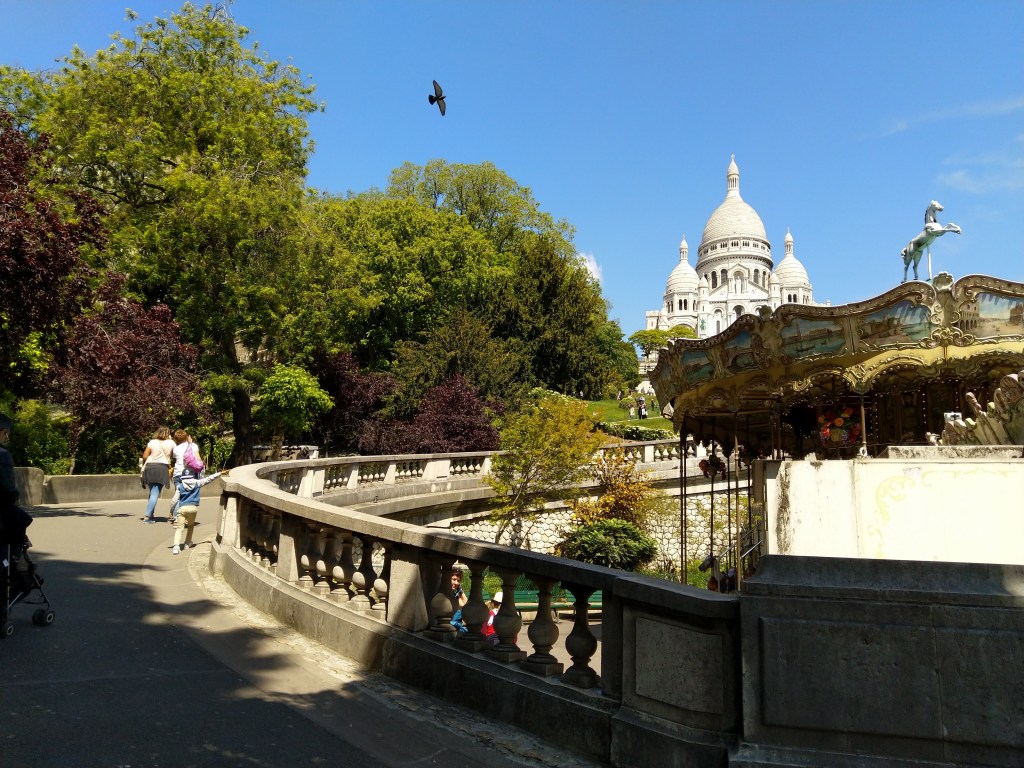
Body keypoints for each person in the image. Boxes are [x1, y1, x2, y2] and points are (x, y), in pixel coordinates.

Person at [0, 413, 33, 567]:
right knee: (21, 520)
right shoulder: (3, 455)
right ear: (3, 432)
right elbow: (9, 491)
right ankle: (14, 561)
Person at [172, 469, 227, 555]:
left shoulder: (180, 486)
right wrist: (218, 473)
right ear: (192, 476)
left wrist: (171, 511)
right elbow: (209, 479)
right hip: (193, 508)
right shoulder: (197, 483)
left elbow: (174, 500)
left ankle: (176, 547)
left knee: (179, 528)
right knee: (190, 526)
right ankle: (187, 543)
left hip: (182, 508)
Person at [140, 426, 175, 523]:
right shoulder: (171, 443)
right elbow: (175, 455)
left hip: (150, 467)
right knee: (155, 493)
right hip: (162, 468)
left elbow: (145, 456)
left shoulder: (152, 442)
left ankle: (151, 515)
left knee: (152, 492)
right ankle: (147, 517)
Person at [449, 567, 469, 633]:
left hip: (457, 626)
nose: (456, 583)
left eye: (458, 581)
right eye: (454, 579)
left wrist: (460, 590)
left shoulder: (455, 595)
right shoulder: (446, 594)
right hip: (451, 626)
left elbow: (467, 605)